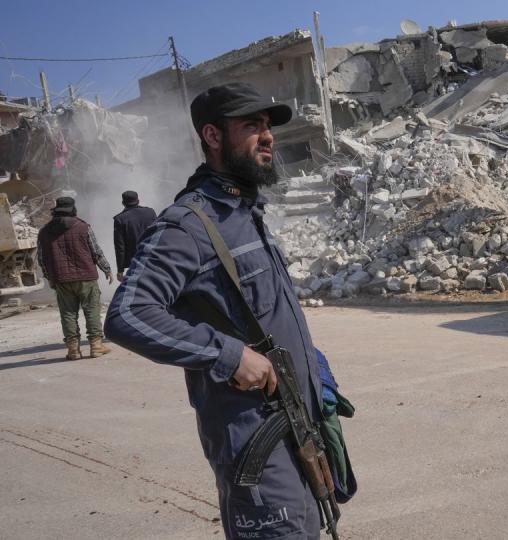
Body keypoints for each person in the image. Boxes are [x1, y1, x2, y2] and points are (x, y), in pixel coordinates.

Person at [104, 83, 342, 539]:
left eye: (267, 126)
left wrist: (311, 364)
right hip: (257, 446)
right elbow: (128, 315)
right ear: (213, 137)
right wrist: (229, 356)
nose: (267, 136)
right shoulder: (187, 226)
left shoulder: (245, 213)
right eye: (251, 126)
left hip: (298, 430)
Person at [37, 196, 114, 360]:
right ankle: (96, 346)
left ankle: (73, 350)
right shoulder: (83, 227)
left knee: (68, 314)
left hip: (61, 279)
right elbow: (96, 252)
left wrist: (49, 277)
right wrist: (106, 269)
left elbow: (42, 259)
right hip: (86, 276)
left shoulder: (44, 232)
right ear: (73, 210)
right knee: (91, 310)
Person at [112, 190, 156, 282]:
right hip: (154, 259)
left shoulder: (120, 219)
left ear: (123, 203)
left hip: (136, 264)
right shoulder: (151, 212)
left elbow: (120, 247)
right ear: (138, 200)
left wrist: (120, 270)